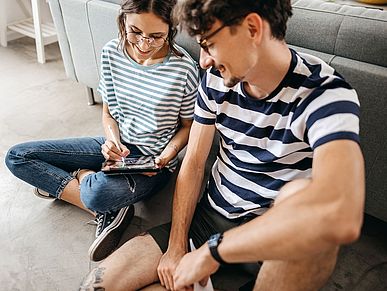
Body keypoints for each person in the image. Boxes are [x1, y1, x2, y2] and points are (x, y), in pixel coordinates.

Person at [79, 0, 365, 290]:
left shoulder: (325, 95)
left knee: (303, 198)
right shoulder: (216, 78)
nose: (203, 61)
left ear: (252, 28)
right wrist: (177, 246)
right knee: (98, 285)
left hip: (277, 238)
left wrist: (212, 252)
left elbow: (341, 215)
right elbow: (193, 163)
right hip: (211, 219)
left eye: (209, 44)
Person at [5, 0, 199, 263]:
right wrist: (112, 141)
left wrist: (168, 153)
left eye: (156, 36)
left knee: (96, 193)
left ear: (170, 31)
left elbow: (188, 126)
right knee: (17, 156)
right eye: (135, 32)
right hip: (115, 148)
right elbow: (109, 113)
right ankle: (106, 211)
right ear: (123, 22)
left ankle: (81, 181)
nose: (144, 43)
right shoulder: (111, 52)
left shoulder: (183, 69)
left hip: (152, 163)